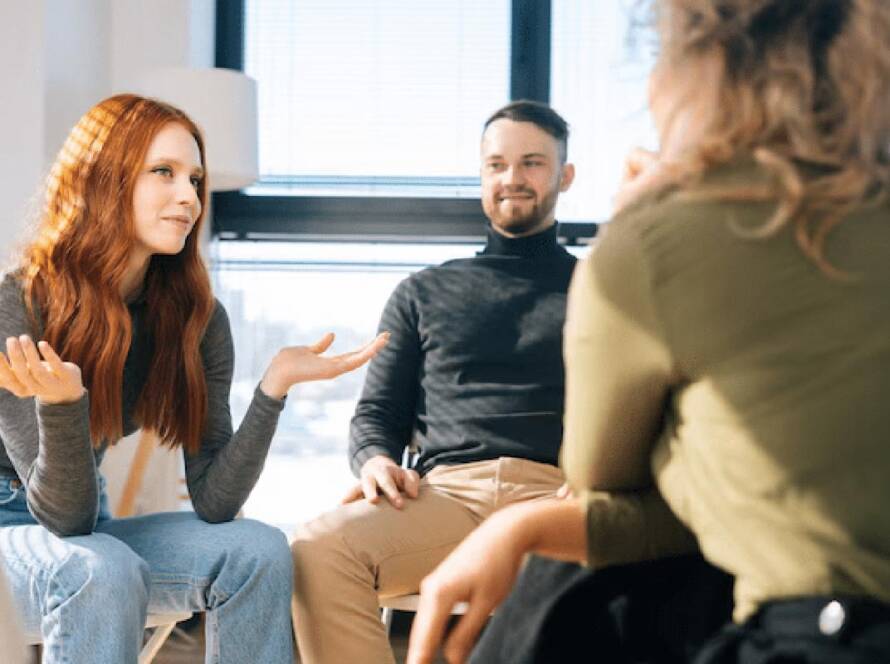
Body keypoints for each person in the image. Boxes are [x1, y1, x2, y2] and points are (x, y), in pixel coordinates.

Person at [407, 1, 890, 663]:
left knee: (576, 582)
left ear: (700, 68)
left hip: (825, 634)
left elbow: (603, 479)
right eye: (497, 164)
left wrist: (641, 222)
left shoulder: (662, 240)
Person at [0, 93, 387, 663]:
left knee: (258, 549)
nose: (190, 197)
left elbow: (213, 501)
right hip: (30, 525)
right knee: (102, 570)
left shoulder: (195, 319)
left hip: (85, 526)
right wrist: (63, 407)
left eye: (195, 179)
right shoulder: (21, 302)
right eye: (164, 172)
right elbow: (63, 518)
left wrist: (272, 391)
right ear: (104, 179)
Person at [290, 100, 584, 663]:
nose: (513, 179)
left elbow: (640, 410)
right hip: (448, 496)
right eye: (497, 164)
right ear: (481, 176)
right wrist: (375, 460)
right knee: (317, 548)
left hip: (562, 494)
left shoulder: (601, 289)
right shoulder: (422, 292)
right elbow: (377, 414)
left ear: (565, 176)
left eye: (532, 163)